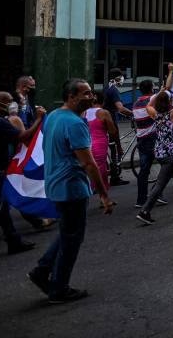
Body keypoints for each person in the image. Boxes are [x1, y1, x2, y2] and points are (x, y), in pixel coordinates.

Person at [28, 79, 113, 304]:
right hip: (71, 188)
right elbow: (89, 163)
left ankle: (41, 270)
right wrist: (103, 194)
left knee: (68, 232)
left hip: (56, 184)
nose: (91, 97)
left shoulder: (55, 116)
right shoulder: (75, 124)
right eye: (85, 94)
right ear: (71, 97)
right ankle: (59, 288)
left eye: (91, 93)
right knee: (72, 239)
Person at [0, 92, 45, 252]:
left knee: (3, 208)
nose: (12, 104)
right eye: (9, 102)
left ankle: (13, 241)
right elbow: (24, 136)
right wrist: (39, 119)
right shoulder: (0, 122)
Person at [135, 75, 173, 224]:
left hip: (161, 153)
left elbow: (150, 103)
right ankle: (145, 211)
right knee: (161, 183)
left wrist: (161, 92)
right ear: (169, 102)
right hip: (171, 155)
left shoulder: (155, 114)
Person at [83, 90, 118, 196]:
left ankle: (89, 189)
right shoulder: (103, 113)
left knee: (88, 168)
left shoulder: (83, 112)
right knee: (101, 169)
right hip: (99, 145)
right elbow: (113, 131)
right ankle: (103, 196)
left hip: (85, 145)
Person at [102, 68, 132, 186]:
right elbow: (120, 108)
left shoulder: (106, 87)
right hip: (111, 122)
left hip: (105, 121)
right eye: (121, 76)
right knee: (116, 148)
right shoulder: (113, 90)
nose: (122, 79)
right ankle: (114, 176)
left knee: (112, 147)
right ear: (117, 78)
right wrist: (134, 114)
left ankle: (113, 174)